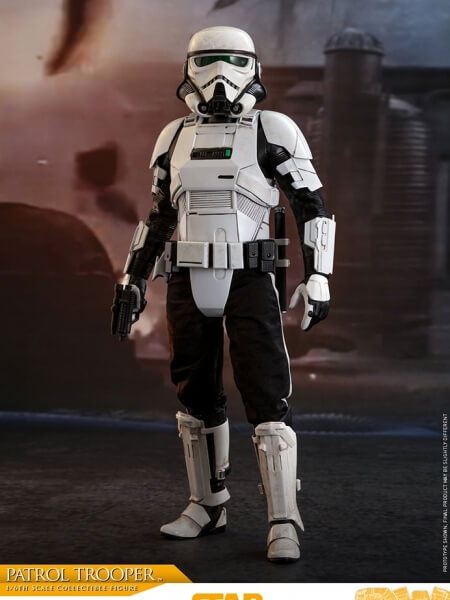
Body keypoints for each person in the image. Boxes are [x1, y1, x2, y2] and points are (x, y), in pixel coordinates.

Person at [111, 26, 336, 563]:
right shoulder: (173, 136)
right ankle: (208, 504)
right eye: (208, 59)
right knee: (194, 392)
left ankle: (283, 518)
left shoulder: (271, 128)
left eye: (233, 60)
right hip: (186, 277)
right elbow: (160, 215)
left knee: (266, 392)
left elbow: (311, 206)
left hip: (250, 277)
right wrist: (132, 277)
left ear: (253, 67)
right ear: (188, 67)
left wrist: (319, 274)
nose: (219, 73)